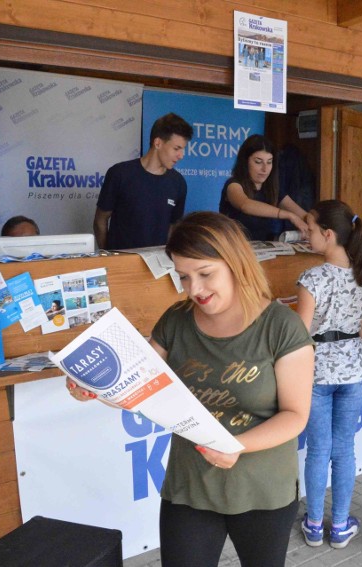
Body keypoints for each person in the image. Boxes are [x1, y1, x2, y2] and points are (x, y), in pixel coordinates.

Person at [68, 211, 315, 567]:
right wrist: (93, 387)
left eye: (205, 274)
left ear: (236, 264)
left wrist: (237, 446)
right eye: (183, 276)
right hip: (190, 489)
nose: (194, 289)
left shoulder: (281, 327)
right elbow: (134, 387)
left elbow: (295, 416)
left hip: (263, 491)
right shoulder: (176, 320)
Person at [296, 200, 362, 549]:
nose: (306, 234)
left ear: (328, 235)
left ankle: (313, 525)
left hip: (316, 375)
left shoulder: (312, 278)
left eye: (310, 229)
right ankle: (340, 525)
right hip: (353, 371)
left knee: (318, 450)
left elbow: (300, 334)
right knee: (344, 449)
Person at [94, 113, 193, 250]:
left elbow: (173, 226)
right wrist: (107, 256)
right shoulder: (120, 174)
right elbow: (100, 220)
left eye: (183, 149)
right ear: (157, 143)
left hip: (158, 267)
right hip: (121, 264)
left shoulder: (178, 183)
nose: (181, 155)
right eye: (176, 148)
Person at [219, 134, 308, 241]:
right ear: (245, 162)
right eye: (258, 162)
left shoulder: (272, 188)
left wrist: (315, 223)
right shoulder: (233, 185)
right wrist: (289, 215)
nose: (265, 169)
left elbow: (300, 213)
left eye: (269, 162)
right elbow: (245, 205)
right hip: (236, 250)